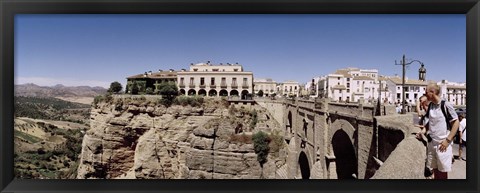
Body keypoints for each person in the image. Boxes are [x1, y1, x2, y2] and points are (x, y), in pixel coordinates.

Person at [422, 83, 460, 179]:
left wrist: (447, 140)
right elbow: (428, 122)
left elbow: (456, 123)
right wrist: (422, 131)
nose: (424, 94)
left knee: (442, 173)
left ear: (432, 92)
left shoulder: (445, 105)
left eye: (426, 92)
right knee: (435, 169)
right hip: (432, 144)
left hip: (443, 145)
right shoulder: (431, 105)